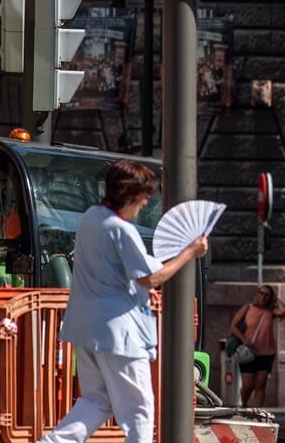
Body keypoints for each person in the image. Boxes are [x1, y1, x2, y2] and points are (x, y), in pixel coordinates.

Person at [38, 160, 208, 443]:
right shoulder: (121, 230)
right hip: (119, 333)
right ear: (129, 196)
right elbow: (151, 278)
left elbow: (117, 272)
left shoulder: (91, 217)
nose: (142, 206)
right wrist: (190, 252)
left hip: (85, 328)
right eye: (142, 200)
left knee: (96, 401)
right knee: (140, 411)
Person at [229, 284, 285, 407]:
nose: (263, 296)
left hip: (266, 352)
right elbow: (233, 326)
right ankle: (244, 405)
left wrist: (275, 298)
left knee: (261, 383)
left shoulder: (270, 311)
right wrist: (243, 339)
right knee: (247, 386)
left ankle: (256, 411)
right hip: (249, 352)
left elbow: (283, 310)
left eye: (267, 295)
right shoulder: (247, 308)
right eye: (261, 293)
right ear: (257, 294)